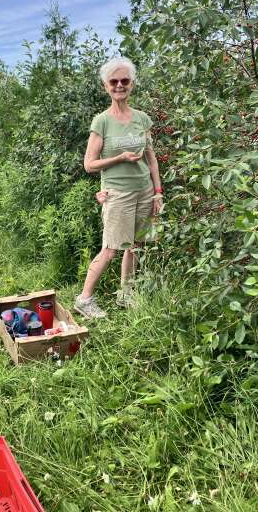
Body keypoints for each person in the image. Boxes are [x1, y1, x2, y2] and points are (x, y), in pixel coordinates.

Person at [74, 57, 163, 319]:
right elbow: (89, 164)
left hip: (145, 191)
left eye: (125, 81)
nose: (119, 85)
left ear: (132, 84)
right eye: (114, 81)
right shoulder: (101, 121)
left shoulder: (142, 119)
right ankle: (84, 298)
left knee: (136, 244)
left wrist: (158, 192)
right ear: (106, 86)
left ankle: (127, 294)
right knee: (111, 247)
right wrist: (120, 157)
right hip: (118, 193)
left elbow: (152, 158)